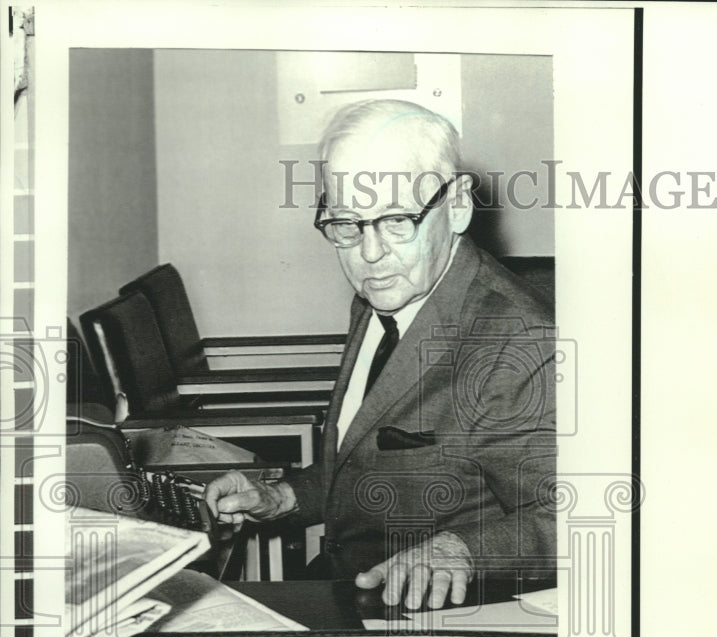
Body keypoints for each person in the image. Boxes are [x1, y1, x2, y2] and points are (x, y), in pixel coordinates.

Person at [206, 99, 556, 610]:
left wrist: (462, 551)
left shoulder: (519, 340)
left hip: (444, 615)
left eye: (396, 220)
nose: (369, 254)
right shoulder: (388, 291)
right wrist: (282, 497)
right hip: (352, 585)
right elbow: (372, 454)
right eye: (346, 223)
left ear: (457, 205)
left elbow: (575, 515)